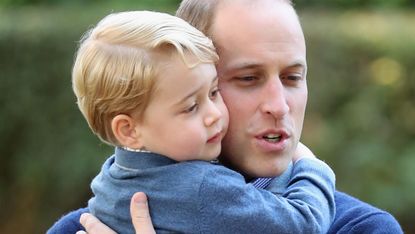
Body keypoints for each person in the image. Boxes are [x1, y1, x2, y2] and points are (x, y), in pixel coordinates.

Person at [49, 0, 403, 233]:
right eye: (248, 79)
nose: (279, 106)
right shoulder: (84, 227)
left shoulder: (363, 228)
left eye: (293, 77)